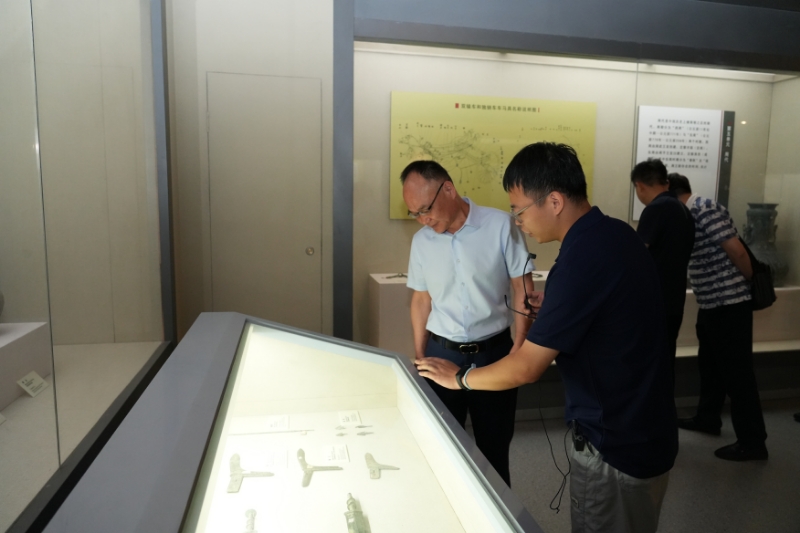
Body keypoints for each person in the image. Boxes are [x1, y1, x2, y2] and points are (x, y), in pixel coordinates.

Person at [416, 143, 677, 533]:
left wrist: (459, 378)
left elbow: (526, 368)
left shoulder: (579, 260)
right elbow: (606, 314)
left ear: (554, 201)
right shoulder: (615, 234)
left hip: (614, 447)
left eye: (519, 210)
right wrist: (557, 308)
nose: (518, 222)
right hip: (646, 428)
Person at [401, 160, 534, 487]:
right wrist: (420, 356)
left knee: (494, 447)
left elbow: (522, 287)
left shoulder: (500, 225)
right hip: (441, 352)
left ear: (448, 188)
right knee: (442, 446)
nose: (423, 219)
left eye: (425, 209)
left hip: (494, 353)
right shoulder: (421, 241)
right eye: (414, 213)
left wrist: (519, 347)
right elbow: (421, 300)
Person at [668, 174, 768, 461]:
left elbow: (736, 250)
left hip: (729, 303)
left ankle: (753, 441)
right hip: (711, 303)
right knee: (710, 366)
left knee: (738, 374)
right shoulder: (689, 214)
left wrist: (748, 284)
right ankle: (708, 418)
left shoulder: (703, 208)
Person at [631, 160, 695, 366]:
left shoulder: (656, 208)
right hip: (674, 300)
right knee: (665, 362)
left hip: (653, 302)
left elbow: (637, 256)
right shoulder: (683, 209)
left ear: (640, 185)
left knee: (649, 364)